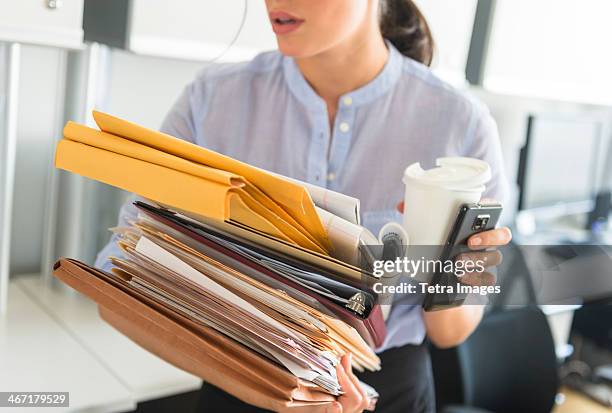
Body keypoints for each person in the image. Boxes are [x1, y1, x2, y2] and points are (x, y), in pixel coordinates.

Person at [95, 0, 513, 411]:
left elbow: (449, 332)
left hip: (390, 394)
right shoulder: (211, 102)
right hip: (239, 382)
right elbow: (118, 285)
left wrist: (455, 264)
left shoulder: (461, 125)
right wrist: (268, 392)